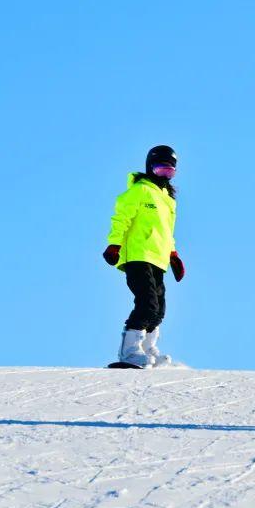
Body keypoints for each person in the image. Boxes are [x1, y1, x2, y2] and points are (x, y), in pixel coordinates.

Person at [103, 145, 186, 368]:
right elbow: (121, 217)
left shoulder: (168, 199)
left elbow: (166, 230)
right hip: (138, 254)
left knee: (159, 308)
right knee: (147, 303)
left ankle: (148, 349)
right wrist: (114, 244)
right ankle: (130, 350)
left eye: (169, 172)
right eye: (160, 170)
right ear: (150, 168)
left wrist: (173, 254)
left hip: (158, 257)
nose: (164, 175)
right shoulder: (140, 190)